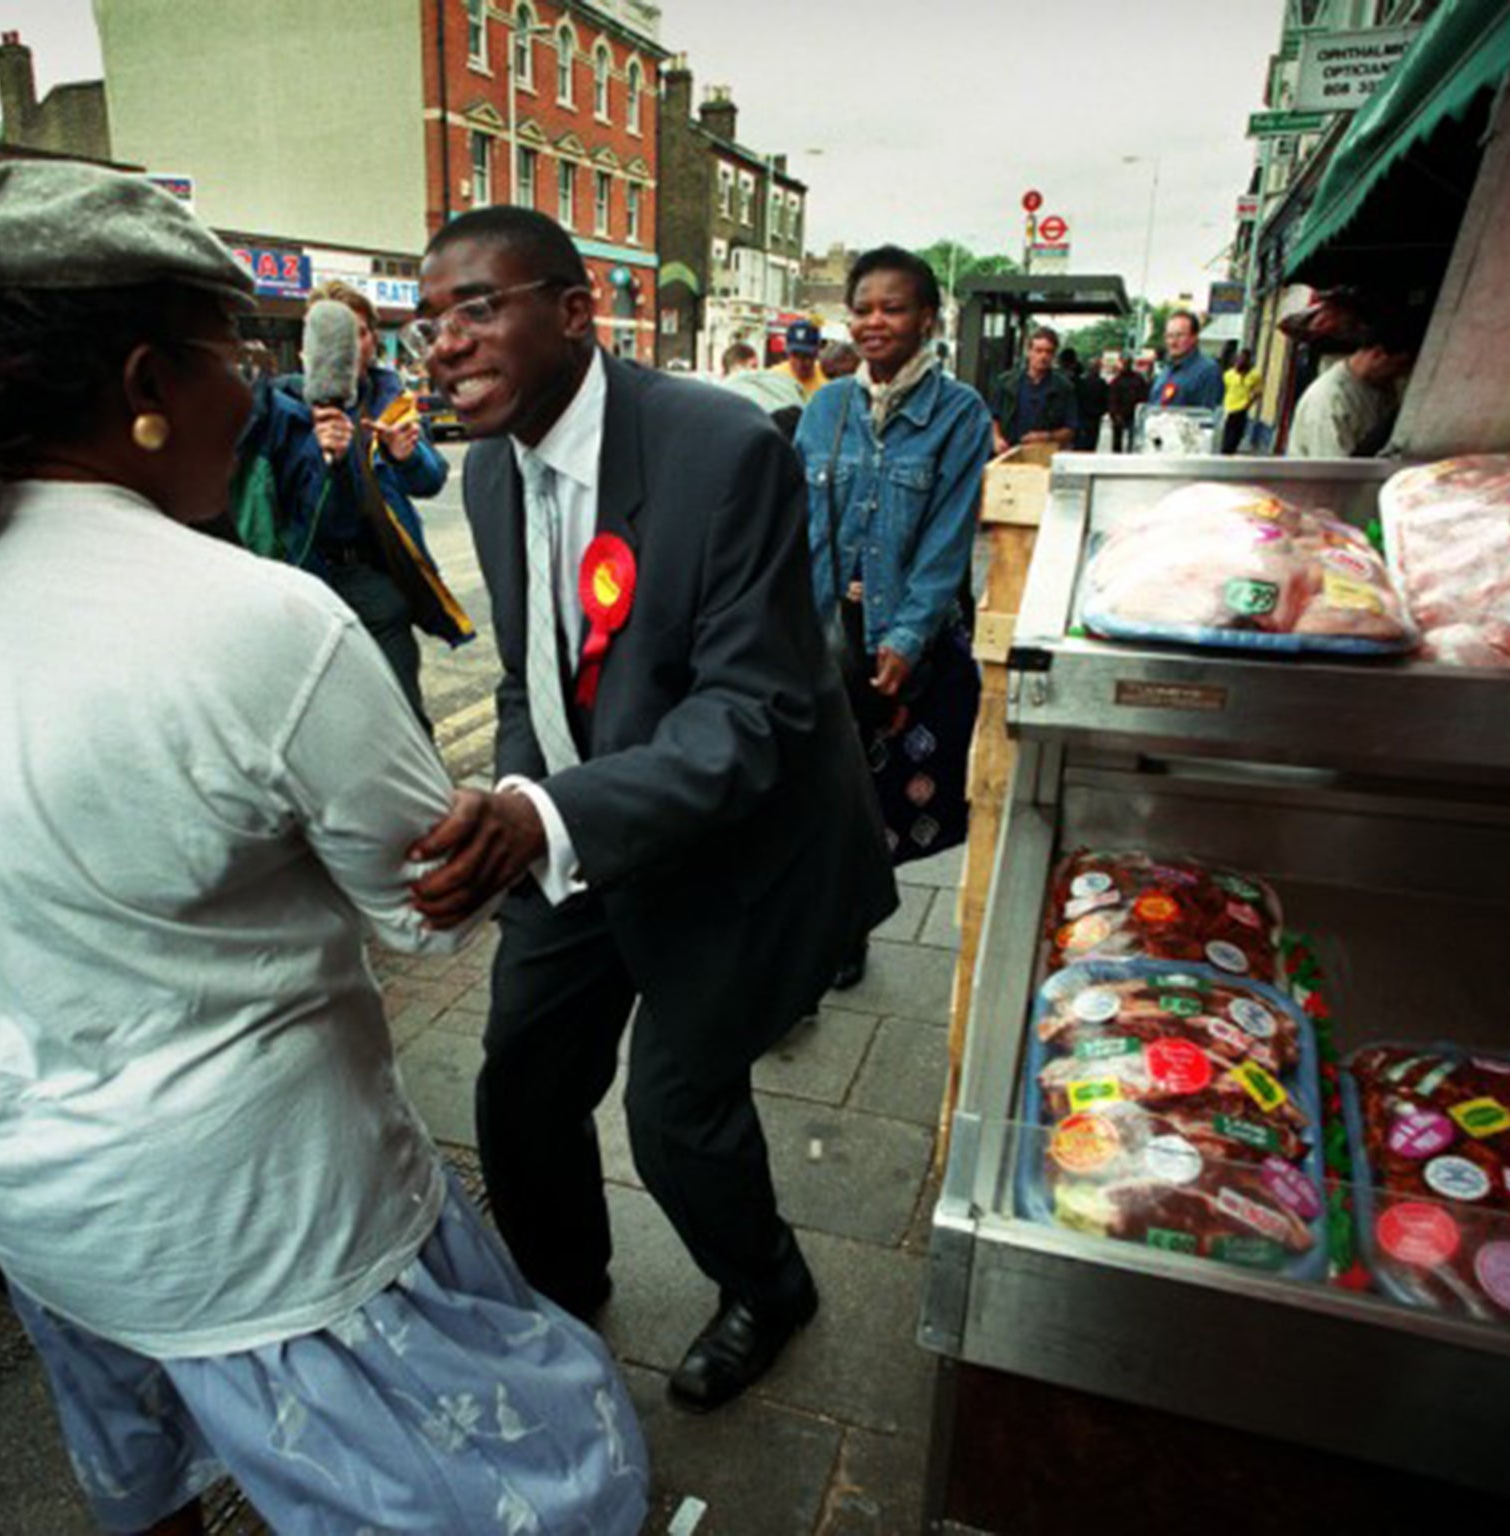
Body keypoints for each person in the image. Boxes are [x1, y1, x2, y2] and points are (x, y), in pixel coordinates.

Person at [0, 163, 647, 1536]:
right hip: (253, 1206)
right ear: (142, 378)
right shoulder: (259, 625)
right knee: (497, 1485)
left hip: (10, 1173)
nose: (255, 397)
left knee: (136, 1441)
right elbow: (422, 909)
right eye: (230, 357)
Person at [401, 206, 896, 1414]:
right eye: (426, 321)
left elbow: (753, 715)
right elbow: (529, 677)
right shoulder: (482, 471)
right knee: (518, 1085)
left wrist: (548, 817)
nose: (442, 345)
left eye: (476, 308)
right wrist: (523, 804)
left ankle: (769, 1290)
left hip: (732, 848)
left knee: (677, 1114)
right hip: (581, 835)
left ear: (574, 311)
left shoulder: (720, 448)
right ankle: (561, 1300)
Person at [795, 245, 993, 989]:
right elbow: (794, 518)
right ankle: (817, 931)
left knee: (867, 800)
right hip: (821, 633)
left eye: (893, 307)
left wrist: (908, 637)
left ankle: (847, 927)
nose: (875, 321)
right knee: (812, 792)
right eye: (864, 308)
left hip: (893, 643)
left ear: (927, 319)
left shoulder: (960, 414)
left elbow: (947, 544)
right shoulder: (827, 406)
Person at [268, 280, 471, 728]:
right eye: (330, 331)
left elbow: (433, 478)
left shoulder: (392, 400)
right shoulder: (282, 407)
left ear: (372, 339)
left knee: (403, 718)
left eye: (357, 330)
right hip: (307, 584)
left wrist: (406, 455)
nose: (347, 344)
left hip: (375, 580)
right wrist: (323, 454)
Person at [1286, 339, 1416, 457]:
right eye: (1398, 366)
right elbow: (1332, 471)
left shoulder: (1381, 388)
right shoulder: (1328, 399)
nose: (1399, 375)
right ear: (1378, 355)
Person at [989, 324, 1077, 453]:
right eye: (1038, 350)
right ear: (1029, 352)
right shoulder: (1006, 382)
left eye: (1049, 351)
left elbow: (1071, 429)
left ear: (1054, 355)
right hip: (1008, 452)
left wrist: (1046, 436)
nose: (1043, 356)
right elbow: (993, 416)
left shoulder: (1064, 387)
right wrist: (996, 438)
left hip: (1044, 456)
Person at [1150, 310, 1224, 410]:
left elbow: (1207, 417)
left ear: (1194, 337)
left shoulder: (1208, 371)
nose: (1173, 342)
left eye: (1179, 335)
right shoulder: (1166, 370)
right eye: (1169, 336)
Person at [766, 317, 824, 402]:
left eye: (806, 356)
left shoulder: (827, 383)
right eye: (795, 355)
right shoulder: (773, 378)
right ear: (787, 353)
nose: (800, 363)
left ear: (816, 354)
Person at [1221, 347, 1263, 454]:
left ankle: (1231, 452)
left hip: (1242, 410)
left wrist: (1249, 404)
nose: (1240, 361)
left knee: (1237, 436)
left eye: (1244, 359)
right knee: (1227, 438)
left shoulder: (1254, 375)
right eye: (1239, 358)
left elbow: (1258, 392)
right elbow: (1224, 389)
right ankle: (1225, 454)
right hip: (1229, 409)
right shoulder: (1228, 375)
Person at [1108, 352, 1151, 451]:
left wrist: (1142, 413)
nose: (1125, 365)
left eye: (1128, 362)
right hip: (1120, 414)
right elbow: (1112, 399)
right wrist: (1115, 414)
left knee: (1133, 441)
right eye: (1124, 362)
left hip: (1134, 414)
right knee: (1117, 442)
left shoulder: (1138, 379)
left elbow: (1144, 396)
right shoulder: (1116, 381)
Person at [1074, 350, 1111, 451]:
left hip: (1084, 416)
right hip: (1094, 416)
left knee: (1083, 440)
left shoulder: (1082, 382)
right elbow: (1106, 398)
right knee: (1092, 441)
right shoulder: (1101, 383)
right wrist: (1103, 410)